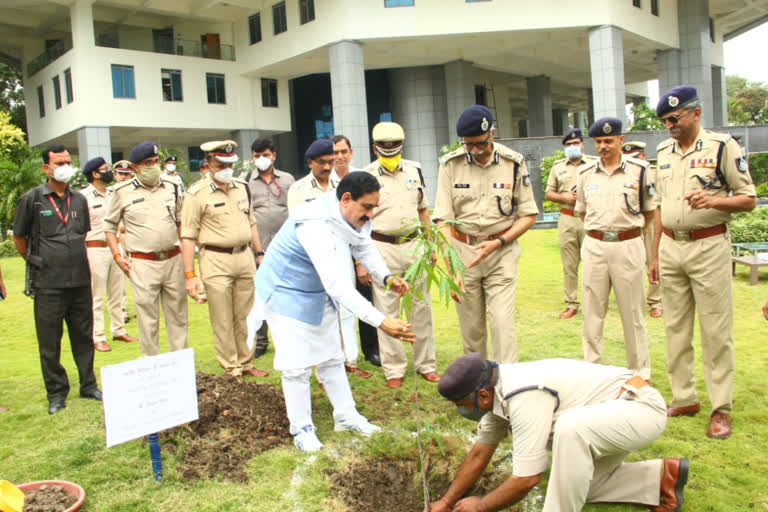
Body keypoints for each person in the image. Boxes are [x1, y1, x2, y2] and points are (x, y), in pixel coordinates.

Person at [253, 157, 415, 452]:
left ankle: (346, 415)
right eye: (367, 207)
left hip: (316, 293)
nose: (370, 215)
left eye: (374, 208)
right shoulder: (315, 224)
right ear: (347, 199)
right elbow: (337, 284)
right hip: (286, 293)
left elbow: (364, 245)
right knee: (296, 367)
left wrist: (387, 277)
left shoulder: (350, 217)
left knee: (331, 357)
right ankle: (301, 428)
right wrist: (381, 321)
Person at [429, 354, 689, 512]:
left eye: (462, 405)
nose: (462, 412)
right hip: (608, 417)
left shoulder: (521, 394)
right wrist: (447, 501)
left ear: (482, 395)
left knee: (569, 428)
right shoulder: (496, 392)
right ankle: (661, 479)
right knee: (574, 486)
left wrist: (482, 505)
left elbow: (526, 478)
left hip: (640, 409)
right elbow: (479, 453)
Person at [649, 85, 756, 439]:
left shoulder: (722, 147)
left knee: (715, 330)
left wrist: (713, 201)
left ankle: (720, 407)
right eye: (665, 120)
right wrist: (654, 255)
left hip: (708, 247)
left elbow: (748, 199)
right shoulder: (663, 151)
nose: (669, 126)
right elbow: (661, 208)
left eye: (674, 118)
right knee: (675, 328)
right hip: (671, 248)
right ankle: (684, 397)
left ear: (695, 113)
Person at [434, 105, 538, 363]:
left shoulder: (513, 163)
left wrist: (499, 242)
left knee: (502, 323)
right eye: (468, 145)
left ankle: (507, 387)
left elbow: (528, 215)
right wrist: (452, 266)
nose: (475, 150)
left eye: (480, 143)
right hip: (463, 253)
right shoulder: (450, 165)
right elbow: (443, 220)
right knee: (472, 329)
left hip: (501, 252)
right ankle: (478, 387)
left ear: (492, 133)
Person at [13, 145, 102, 415]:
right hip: (48, 283)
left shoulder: (78, 199)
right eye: (58, 162)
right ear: (46, 168)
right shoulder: (33, 199)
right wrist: (35, 261)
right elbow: (20, 238)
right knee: (50, 342)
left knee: (83, 336)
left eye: (68, 161)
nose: (65, 166)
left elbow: (82, 233)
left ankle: (88, 385)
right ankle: (56, 393)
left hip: (79, 280)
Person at [181, 140, 268, 378]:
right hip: (215, 259)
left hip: (244, 257)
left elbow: (251, 223)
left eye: (230, 163)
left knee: (245, 315)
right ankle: (231, 367)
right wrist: (189, 275)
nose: (226, 169)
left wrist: (259, 254)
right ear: (208, 164)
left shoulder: (241, 186)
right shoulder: (196, 194)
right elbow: (188, 236)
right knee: (222, 318)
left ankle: (246, 362)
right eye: (221, 164)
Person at [575, 118, 654, 380]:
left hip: (628, 244)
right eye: (598, 142)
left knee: (633, 314)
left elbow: (650, 213)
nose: (603, 146)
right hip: (595, 245)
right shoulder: (586, 173)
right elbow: (582, 211)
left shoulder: (640, 170)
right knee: (592, 313)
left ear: (621, 140)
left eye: (608, 141)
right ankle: (591, 371)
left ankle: (639, 373)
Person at [363, 122, 439, 388]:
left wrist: (430, 244)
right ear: (375, 148)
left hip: (415, 245)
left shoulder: (415, 170)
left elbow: (423, 211)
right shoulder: (367, 176)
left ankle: (426, 364)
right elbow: (361, 220)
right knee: (387, 308)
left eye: (395, 146)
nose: (390, 150)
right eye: (385, 146)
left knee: (422, 307)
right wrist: (362, 260)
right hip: (381, 246)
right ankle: (394, 368)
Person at [287, 140, 370, 379]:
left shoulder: (344, 186)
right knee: (321, 311)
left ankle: (349, 361)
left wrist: (359, 261)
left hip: (342, 252)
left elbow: (354, 224)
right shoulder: (299, 189)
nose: (326, 166)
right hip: (314, 256)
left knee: (346, 305)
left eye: (330, 161)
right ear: (310, 162)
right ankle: (324, 366)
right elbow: (297, 224)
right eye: (321, 162)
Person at [104, 141, 188, 357]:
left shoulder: (173, 186)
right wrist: (117, 255)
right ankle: (151, 368)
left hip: (172, 258)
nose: (152, 166)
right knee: (147, 318)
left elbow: (181, 222)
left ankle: (180, 368)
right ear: (135, 167)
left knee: (178, 316)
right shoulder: (121, 192)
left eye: (155, 161)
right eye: (146, 163)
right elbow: (109, 227)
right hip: (142, 262)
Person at [331, 134, 381, 368]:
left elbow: (363, 238)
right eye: (335, 152)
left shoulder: (364, 181)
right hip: (332, 256)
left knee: (364, 296)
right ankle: (341, 356)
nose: (339, 156)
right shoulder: (325, 186)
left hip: (356, 254)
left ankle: (368, 350)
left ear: (351, 152)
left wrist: (364, 266)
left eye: (344, 151)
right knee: (339, 305)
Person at [244, 137, 295, 358]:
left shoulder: (287, 180)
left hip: (285, 249)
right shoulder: (245, 181)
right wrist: (256, 250)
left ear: (273, 155)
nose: (261, 160)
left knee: (287, 293)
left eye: (265, 155)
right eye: (257, 156)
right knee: (260, 295)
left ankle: (288, 337)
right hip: (259, 249)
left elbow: (293, 210)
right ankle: (261, 340)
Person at [81, 157, 137, 353]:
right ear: (94, 174)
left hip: (115, 247)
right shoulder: (84, 197)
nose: (109, 173)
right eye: (104, 170)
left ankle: (118, 329)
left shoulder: (114, 193)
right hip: (94, 248)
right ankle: (98, 336)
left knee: (117, 291)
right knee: (96, 295)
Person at [544, 128, 597, 319]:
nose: (572, 147)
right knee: (569, 264)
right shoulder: (558, 167)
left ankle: (594, 302)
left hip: (590, 218)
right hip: (567, 218)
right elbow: (549, 193)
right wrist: (563, 196)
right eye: (568, 145)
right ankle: (571, 303)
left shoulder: (594, 164)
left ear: (582, 144)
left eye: (575, 144)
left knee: (594, 263)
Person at [623, 141, 664, 318]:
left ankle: (656, 301)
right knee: (630, 264)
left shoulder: (655, 173)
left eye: (635, 157)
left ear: (643, 156)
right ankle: (632, 300)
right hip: (631, 222)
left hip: (652, 220)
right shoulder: (622, 174)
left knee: (653, 260)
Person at [112, 160, 134, 323]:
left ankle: (142, 306)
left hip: (134, 237)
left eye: (127, 174)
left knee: (137, 273)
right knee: (119, 277)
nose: (124, 177)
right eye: (121, 174)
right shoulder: (112, 193)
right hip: (118, 237)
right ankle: (123, 310)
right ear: (115, 175)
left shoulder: (135, 191)